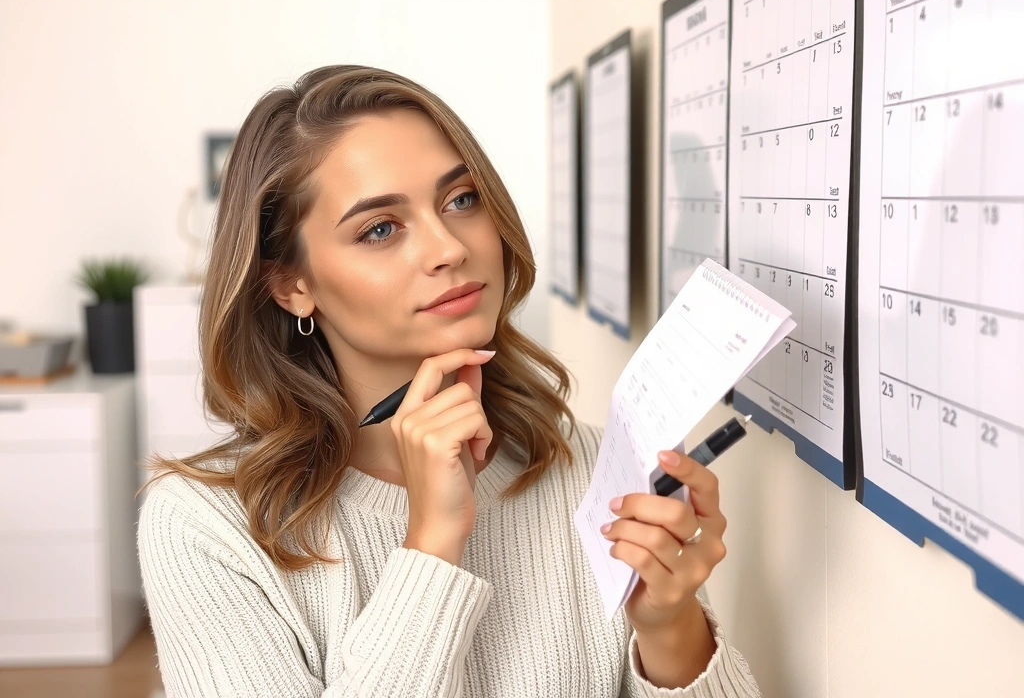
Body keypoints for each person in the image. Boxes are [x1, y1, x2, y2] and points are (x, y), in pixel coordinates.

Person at [137, 64, 761, 697]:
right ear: (291, 285)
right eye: (379, 229)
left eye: (461, 200)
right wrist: (432, 542)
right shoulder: (204, 527)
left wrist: (669, 626)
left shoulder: (597, 470)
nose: (448, 248)